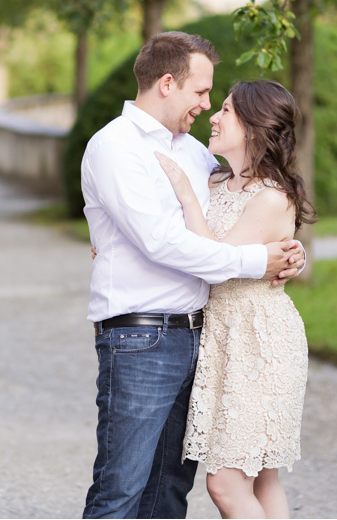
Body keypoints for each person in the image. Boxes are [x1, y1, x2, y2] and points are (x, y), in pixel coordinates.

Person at [81, 32, 305, 519]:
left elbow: (244, 203)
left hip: (200, 337)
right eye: (202, 92)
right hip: (141, 336)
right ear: (167, 83)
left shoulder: (192, 152)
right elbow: (162, 241)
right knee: (120, 489)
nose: (207, 106)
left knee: (167, 493)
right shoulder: (115, 147)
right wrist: (258, 262)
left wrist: (289, 249)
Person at [154, 79, 314, 519]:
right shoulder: (218, 179)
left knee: (225, 482)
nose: (213, 116)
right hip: (224, 341)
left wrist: (187, 194)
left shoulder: (271, 197)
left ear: (254, 128)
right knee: (262, 476)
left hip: (259, 343)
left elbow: (216, 261)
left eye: (226, 110)